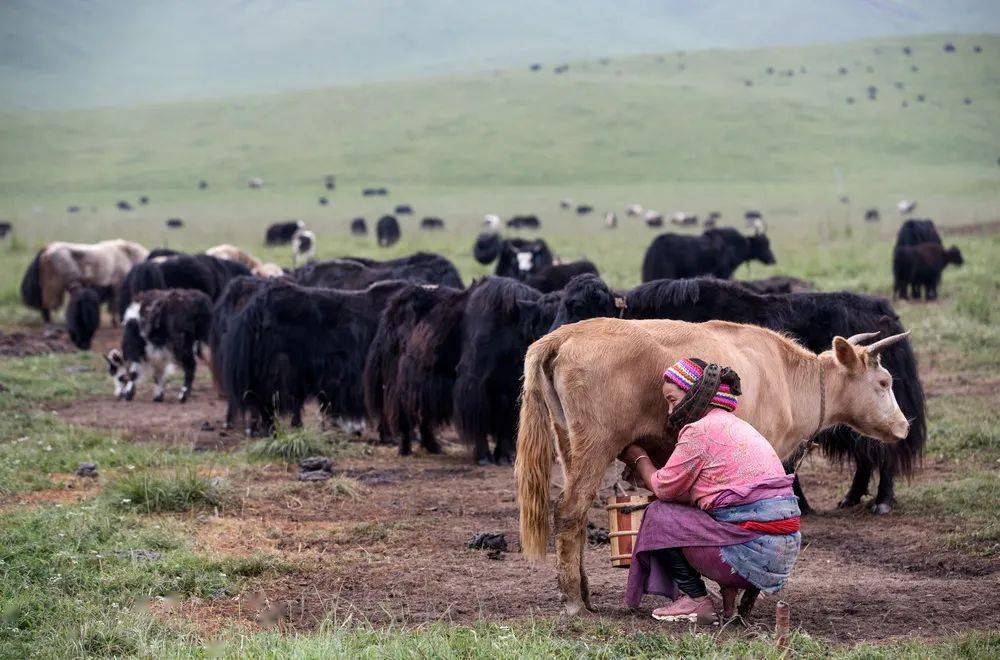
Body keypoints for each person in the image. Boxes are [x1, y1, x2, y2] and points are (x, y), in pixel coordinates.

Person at [618, 357, 802, 624]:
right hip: (780, 553)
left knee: (659, 514)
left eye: (672, 399)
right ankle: (728, 608)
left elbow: (663, 488)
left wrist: (639, 457)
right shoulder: (739, 425)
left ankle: (694, 598)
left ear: (695, 393)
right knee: (718, 514)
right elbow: (727, 503)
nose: (670, 412)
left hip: (751, 552)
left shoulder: (699, 431)